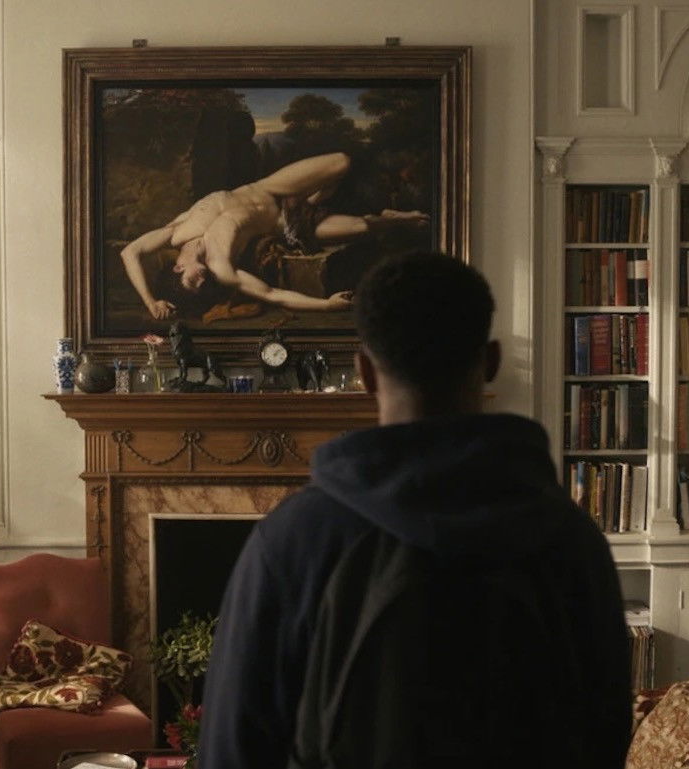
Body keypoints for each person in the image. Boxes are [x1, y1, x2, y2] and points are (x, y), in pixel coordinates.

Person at [197, 252, 632, 769]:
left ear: (364, 371)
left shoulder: (293, 538)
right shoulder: (570, 538)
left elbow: (233, 747)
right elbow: (605, 733)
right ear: (491, 362)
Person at [119, 151, 429, 320]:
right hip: (283, 223)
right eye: (201, 287)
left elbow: (129, 252)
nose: (202, 281)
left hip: (270, 189)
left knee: (342, 162)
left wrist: (150, 302)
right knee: (361, 228)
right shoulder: (221, 267)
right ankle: (392, 220)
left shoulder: (176, 231)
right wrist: (326, 305)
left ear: (178, 267)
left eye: (192, 281)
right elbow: (271, 295)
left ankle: (314, 200)